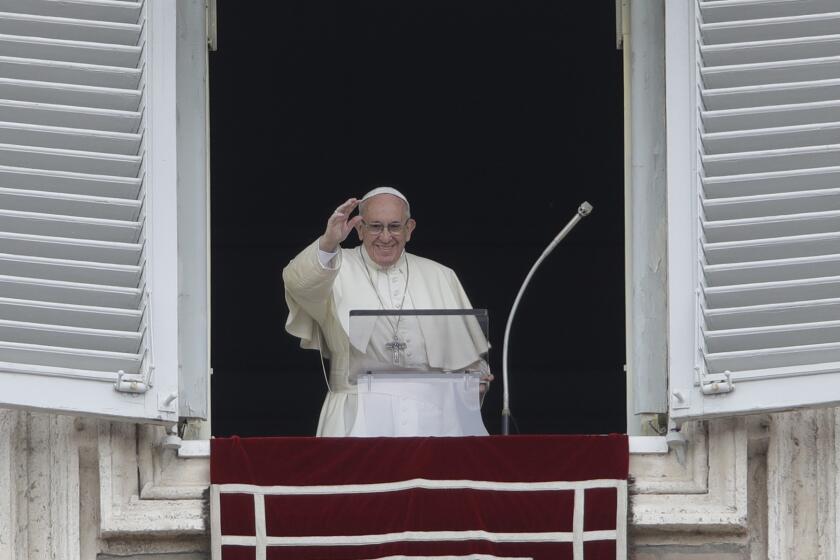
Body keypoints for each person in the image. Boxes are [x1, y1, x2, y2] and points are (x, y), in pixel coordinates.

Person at [283, 186, 491, 436]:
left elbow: (469, 365)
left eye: (394, 226)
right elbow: (298, 284)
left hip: (433, 418)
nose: (385, 236)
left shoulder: (440, 275)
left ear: (409, 229)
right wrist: (328, 242)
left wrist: (474, 383)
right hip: (356, 414)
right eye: (375, 226)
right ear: (359, 229)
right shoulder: (334, 267)